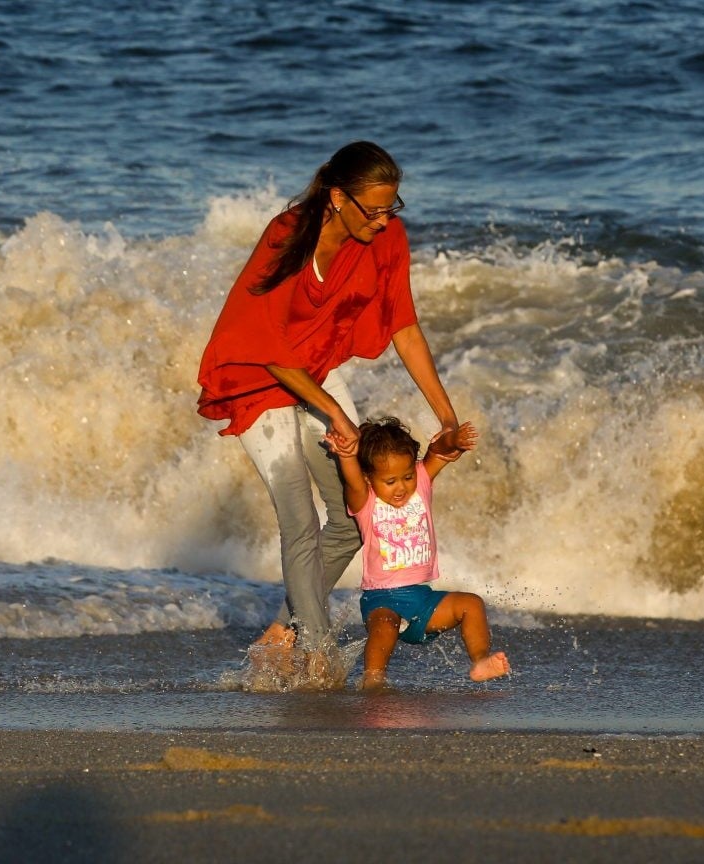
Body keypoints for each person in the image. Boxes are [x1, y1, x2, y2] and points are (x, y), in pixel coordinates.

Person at [196, 141, 466, 663]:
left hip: (315, 369)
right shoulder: (287, 235)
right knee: (298, 519)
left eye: (393, 208)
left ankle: (285, 626)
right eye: (375, 210)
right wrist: (336, 413)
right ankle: (318, 655)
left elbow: (404, 327)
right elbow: (267, 343)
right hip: (257, 377)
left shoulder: (386, 239)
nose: (385, 221)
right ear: (338, 197)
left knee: (349, 515)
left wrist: (446, 417)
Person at [325, 417, 510, 690]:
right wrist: (347, 456)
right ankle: (373, 680)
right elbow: (352, 480)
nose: (401, 487)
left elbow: (437, 451)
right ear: (369, 478)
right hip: (381, 599)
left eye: (407, 476)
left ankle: (480, 660)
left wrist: (453, 441)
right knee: (386, 625)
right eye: (390, 481)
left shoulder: (421, 483)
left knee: (471, 604)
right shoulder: (366, 501)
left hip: (422, 600)